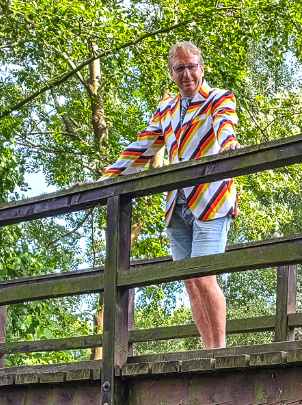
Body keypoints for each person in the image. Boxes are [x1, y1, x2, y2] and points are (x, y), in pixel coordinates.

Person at [100, 41, 241, 349]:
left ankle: (219, 353)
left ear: (202, 68)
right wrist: (108, 178)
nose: (187, 74)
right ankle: (208, 351)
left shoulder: (218, 98)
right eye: (180, 68)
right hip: (176, 204)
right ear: (172, 73)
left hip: (211, 199)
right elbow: (143, 147)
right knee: (190, 283)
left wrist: (229, 143)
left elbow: (224, 124)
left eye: (192, 66)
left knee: (204, 277)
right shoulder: (167, 108)